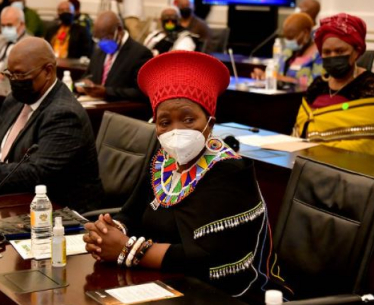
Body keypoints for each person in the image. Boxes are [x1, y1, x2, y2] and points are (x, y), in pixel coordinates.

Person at [83, 51, 267, 296]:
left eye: (189, 119)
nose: (176, 131)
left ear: (210, 124)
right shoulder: (163, 160)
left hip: (213, 293)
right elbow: (131, 213)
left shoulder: (228, 170)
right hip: (158, 282)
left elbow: (203, 256)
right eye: (165, 122)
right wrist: (107, 232)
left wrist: (126, 249)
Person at [0, 37, 103, 211]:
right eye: (10, 74)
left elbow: (35, 174)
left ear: (48, 71)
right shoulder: (17, 99)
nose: (13, 81)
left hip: (57, 212)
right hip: (14, 199)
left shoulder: (64, 114)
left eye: (20, 75)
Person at [294, 13, 374, 157]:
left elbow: (366, 145)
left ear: (356, 51)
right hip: (307, 163)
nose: (333, 56)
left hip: (352, 171)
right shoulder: (318, 84)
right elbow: (300, 130)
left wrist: (318, 153)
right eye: (327, 52)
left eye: (340, 51)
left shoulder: (371, 86)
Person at [76, 11, 152, 101]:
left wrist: (106, 92)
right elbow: (87, 76)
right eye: (98, 39)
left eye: (106, 38)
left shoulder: (140, 54)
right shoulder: (98, 51)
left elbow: (141, 92)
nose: (102, 43)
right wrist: (83, 84)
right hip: (95, 105)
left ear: (119, 30)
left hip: (121, 109)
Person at [251, 13, 322, 87]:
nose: (288, 41)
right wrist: (265, 75)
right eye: (286, 37)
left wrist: (284, 79)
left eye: (291, 37)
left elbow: (316, 85)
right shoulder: (288, 51)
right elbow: (276, 73)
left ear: (306, 33)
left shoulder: (319, 53)